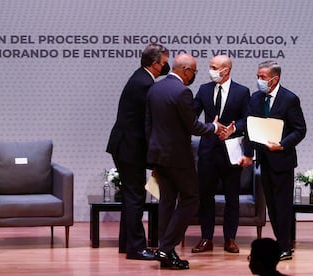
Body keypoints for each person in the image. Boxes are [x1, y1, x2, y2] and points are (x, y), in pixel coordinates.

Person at [145, 53, 228, 270]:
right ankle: (166, 246)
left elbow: (148, 124)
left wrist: (152, 154)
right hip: (178, 158)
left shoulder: (156, 88)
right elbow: (193, 126)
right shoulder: (182, 91)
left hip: (159, 155)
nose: (195, 76)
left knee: (166, 202)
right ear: (186, 70)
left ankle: (167, 253)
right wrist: (214, 127)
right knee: (191, 198)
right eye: (195, 71)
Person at [106, 43, 170, 260]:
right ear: (154, 64)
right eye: (164, 63)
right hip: (129, 148)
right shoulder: (144, 84)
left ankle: (127, 244)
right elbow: (147, 125)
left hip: (124, 146)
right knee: (135, 197)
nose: (166, 67)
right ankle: (136, 248)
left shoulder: (140, 77)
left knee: (130, 197)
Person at [246, 60, 307, 261]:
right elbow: (249, 126)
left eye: (262, 77)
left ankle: (285, 247)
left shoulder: (289, 99)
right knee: (271, 205)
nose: (259, 80)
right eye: (258, 76)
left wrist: (281, 144)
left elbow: (300, 130)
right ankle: (280, 245)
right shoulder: (256, 98)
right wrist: (248, 153)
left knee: (283, 206)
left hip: (282, 161)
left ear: (275, 78)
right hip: (263, 159)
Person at [191, 55, 252, 254]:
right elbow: (191, 116)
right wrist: (209, 127)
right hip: (208, 152)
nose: (211, 71)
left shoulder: (242, 92)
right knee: (205, 197)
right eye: (210, 67)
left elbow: (247, 120)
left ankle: (230, 239)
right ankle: (206, 238)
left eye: (214, 67)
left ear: (226, 70)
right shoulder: (204, 89)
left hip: (231, 152)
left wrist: (234, 129)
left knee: (232, 198)